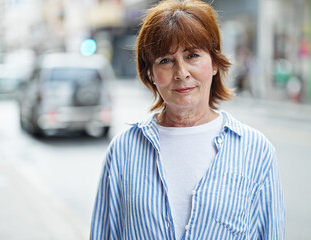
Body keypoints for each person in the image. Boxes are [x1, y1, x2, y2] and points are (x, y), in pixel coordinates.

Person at [90, 0, 285, 239]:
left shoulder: (257, 151)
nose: (182, 72)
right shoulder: (123, 151)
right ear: (150, 73)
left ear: (214, 63)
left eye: (192, 55)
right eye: (165, 60)